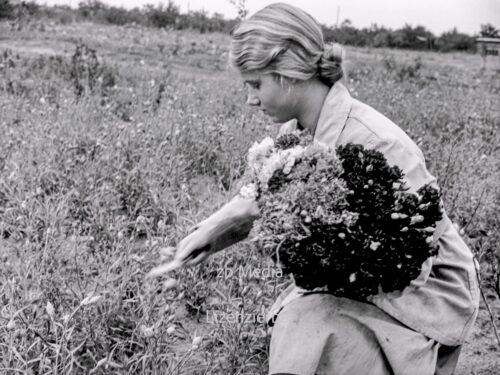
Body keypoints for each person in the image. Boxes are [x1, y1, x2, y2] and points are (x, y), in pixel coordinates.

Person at [152, 3, 479, 374]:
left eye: (256, 84)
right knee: (302, 324)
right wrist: (211, 233)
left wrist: (322, 260)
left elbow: (415, 256)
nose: (250, 99)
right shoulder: (293, 134)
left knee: (311, 329)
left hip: (423, 293)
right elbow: (262, 199)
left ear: (288, 73)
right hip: (358, 281)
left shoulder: (378, 142)